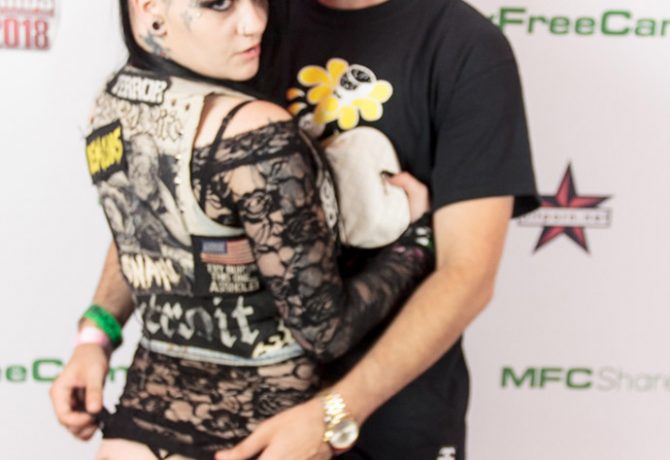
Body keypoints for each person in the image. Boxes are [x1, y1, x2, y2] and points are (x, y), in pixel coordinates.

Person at [49, 0, 435, 458]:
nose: (255, 23)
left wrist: (94, 336)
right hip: (254, 439)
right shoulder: (255, 132)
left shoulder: (110, 105)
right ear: (150, 9)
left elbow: (148, 239)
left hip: (134, 433)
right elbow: (323, 330)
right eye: (219, 4)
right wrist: (415, 242)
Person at [215, 1, 539, 459]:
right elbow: (160, 196)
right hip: (234, 414)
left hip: (392, 422)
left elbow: (469, 273)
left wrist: (333, 415)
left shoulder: (464, 45)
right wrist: (108, 326)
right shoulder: (246, 19)